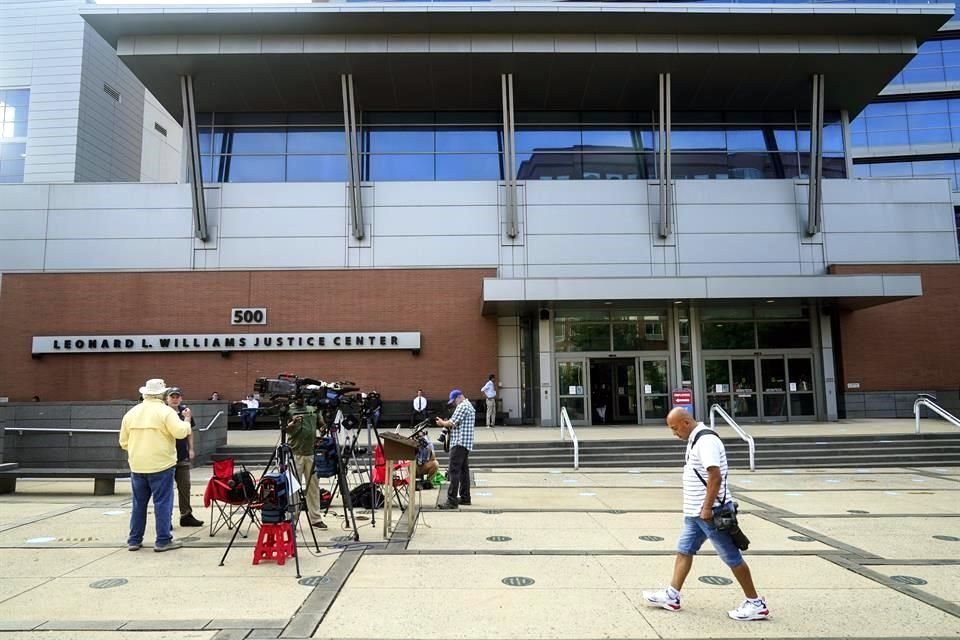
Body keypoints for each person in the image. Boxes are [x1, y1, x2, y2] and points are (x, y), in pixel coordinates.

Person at [643, 408, 769, 621]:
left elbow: (715, 476)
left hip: (710, 513)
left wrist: (707, 508)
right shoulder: (695, 439)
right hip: (695, 513)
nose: (674, 433)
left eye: (674, 428)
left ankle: (756, 603)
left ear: (685, 422)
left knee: (731, 557)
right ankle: (672, 596)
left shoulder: (705, 441)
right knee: (684, 550)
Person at [119, 378, 191, 552]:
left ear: (145, 393)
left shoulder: (131, 413)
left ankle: (134, 540)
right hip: (161, 464)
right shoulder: (166, 412)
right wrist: (187, 420)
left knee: (138, 504)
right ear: (162, 394)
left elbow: (123, 442)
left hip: (137, 465)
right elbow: (180, 432)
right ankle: (163, 540)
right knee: (162, 503)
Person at [284, 396, 327, 529]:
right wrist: (292, 424)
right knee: (293, 488)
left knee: (313, 486)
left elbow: (322, 425)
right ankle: (292, 518)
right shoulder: (288, 410)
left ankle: (315, 518)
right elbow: (284, 429)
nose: (300, 399)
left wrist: (323, 428)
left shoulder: (312, 409)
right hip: (295, 453)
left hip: (310, 453)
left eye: (302, 396)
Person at [165, 387, 203, 528]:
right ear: (166, 399)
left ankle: (186, 515)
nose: (175, 399)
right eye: (172, 397)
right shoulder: (163, 413)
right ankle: (165, 519)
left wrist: (191, 449)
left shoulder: (185, 412)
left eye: (177, 397)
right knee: (166, 489)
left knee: (185, 486)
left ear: (181, 398)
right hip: (167, 456)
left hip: (182, 455)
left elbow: (189, 432)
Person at [436, 389, 475, 509]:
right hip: (465, 444)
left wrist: (442, 422)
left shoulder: (463, 406)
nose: (454, 404)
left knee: (453, 471)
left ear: (459, 397)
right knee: (463, 471)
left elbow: (451, 423)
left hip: (459, 443)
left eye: (454, 401)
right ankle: (465, 497)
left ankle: (451, 500)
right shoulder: (468, 406)